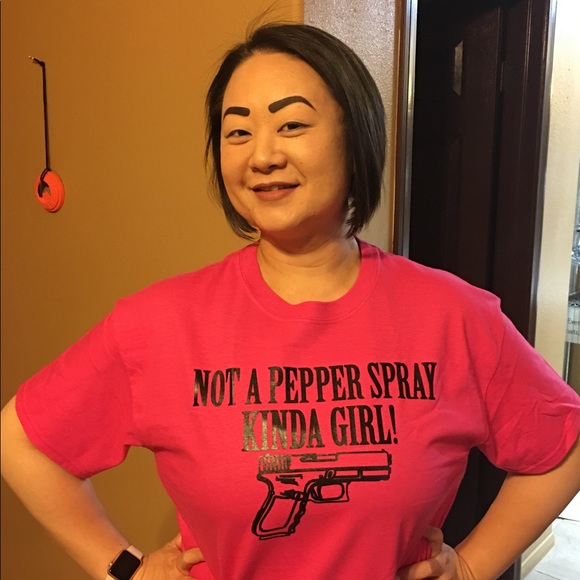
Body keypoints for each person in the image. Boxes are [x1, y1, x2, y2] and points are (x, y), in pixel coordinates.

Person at [2, 21, 580, 580]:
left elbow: (565, 446)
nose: (262, 156)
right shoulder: (157, 324)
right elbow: (21, 441)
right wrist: (125, 569)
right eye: (237, 132)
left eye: (292, 125)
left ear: (355, 137)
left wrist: (472, 568)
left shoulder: (455, 316)